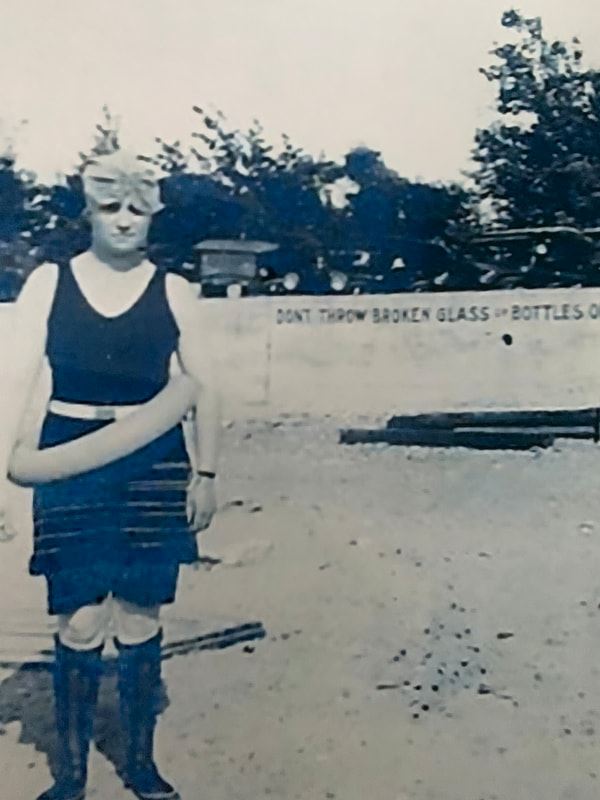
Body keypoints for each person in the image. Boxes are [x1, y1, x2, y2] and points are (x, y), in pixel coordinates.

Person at [0, 150, 221, 800]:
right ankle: (70, 778)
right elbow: (12, 382)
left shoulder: (174, 290)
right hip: (69, 455)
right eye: (110, 207)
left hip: (155, 461)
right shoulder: (48, 282)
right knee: (79, 621)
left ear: (151, 215)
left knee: (140, 616)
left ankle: (140, 767)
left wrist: (205, 471)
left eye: (137, 209)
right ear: (89, 212)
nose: (124, 221)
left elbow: (205, 387)